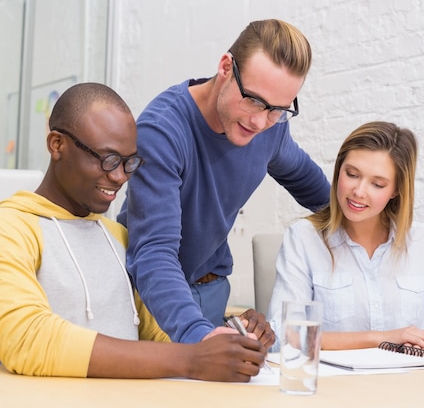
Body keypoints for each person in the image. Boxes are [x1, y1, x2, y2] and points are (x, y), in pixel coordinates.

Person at [0, 82, 267, 381]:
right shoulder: (7, 231)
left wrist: (225, 341)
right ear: (57, 145)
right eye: (108, 160)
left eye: (129, 162)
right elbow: (27, 340)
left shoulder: (119, 237)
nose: (120, 177)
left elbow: (159, 338)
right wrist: (191, 359)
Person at [117, 19, 331, 345]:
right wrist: (199, 336)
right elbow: (154, 252)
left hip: (212, 287)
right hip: (152, 296)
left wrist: (371, 219)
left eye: (277, 109)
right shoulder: (161, 132)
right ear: (226, 67)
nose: (260, 121)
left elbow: (308, 181)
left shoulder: (270, 128)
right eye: (254, 100)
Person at [268, 121, 424, 361]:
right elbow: (283, 335)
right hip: (338, 390)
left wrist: (414, 346)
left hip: (416, 386)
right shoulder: (303, 238)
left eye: (377, 184)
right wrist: (378, 339)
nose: (359, 191)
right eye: (351, 174)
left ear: (396, 190)